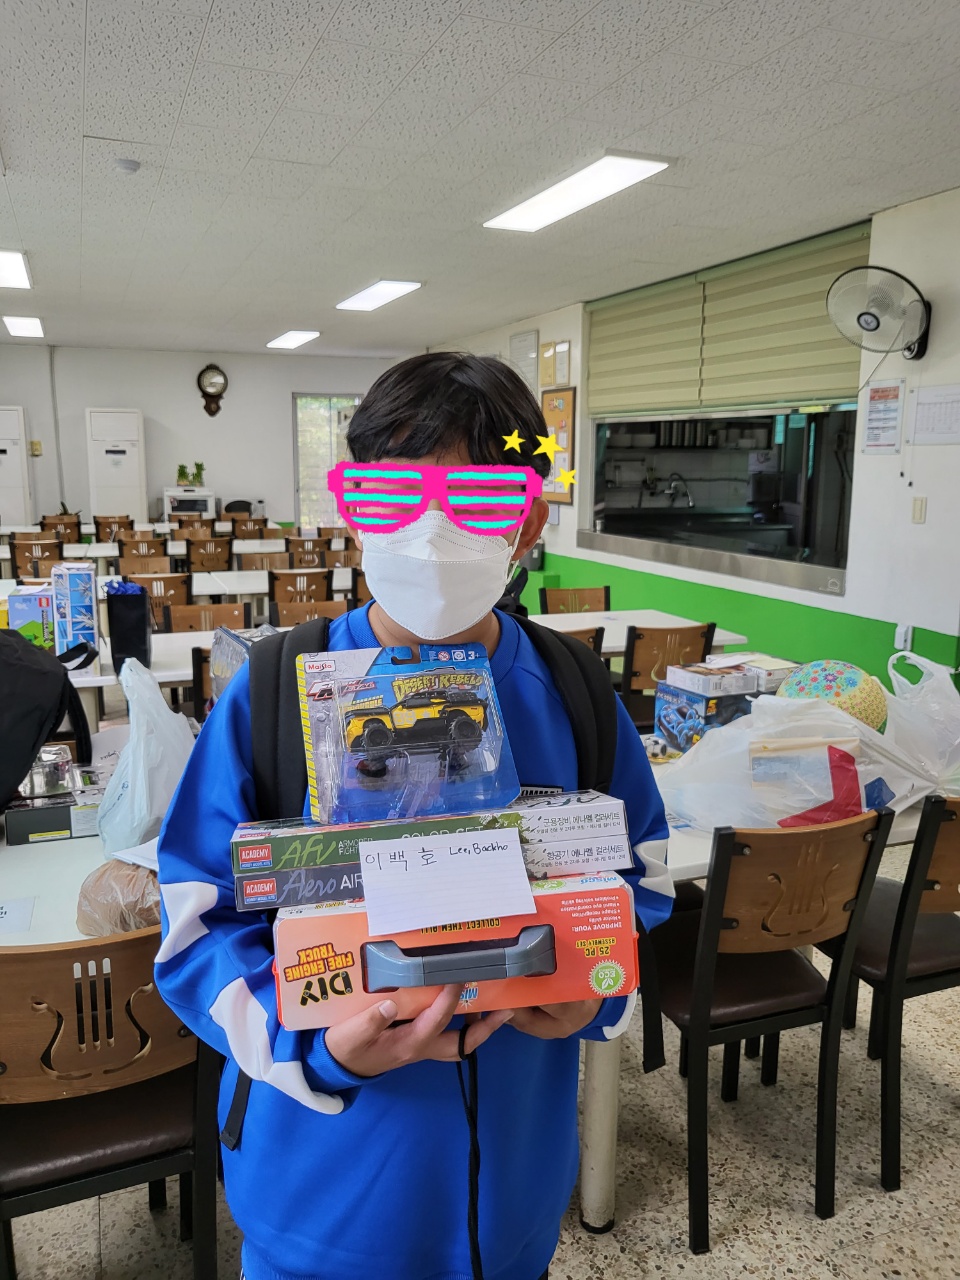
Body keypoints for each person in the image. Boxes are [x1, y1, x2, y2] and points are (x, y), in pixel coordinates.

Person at [155, 352, 673, 1280]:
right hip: (324, 1200)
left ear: (529, 522)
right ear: (354, 509)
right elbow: (196, 923)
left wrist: (596, 991)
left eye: (478, 498)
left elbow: (642, 877)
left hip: (515, 1204)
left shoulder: (573, 691)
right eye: (396, 495)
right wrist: (313, 1046)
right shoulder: (272, 694)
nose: (433, 536)